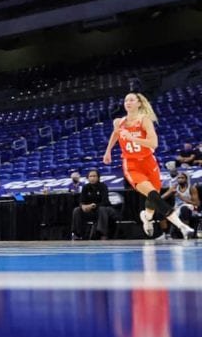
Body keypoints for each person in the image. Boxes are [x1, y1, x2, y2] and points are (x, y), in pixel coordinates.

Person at [103, 92, 196, 239]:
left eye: (132, 100)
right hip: (131, 164)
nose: (128, 102)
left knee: (153, 198)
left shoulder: (144, 121)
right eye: (126, 100)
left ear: (139, 103)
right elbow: (115, 134)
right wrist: (108, 151)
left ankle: (146, 217)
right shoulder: (118, 122)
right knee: (153, 195)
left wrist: (133, 138)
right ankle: (182, 227)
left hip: (149, 162)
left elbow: (154, 144)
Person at [71, 169, 117, 240]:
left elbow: (105, 202)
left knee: (102, 209)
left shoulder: (103, 186)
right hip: (91, 211)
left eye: (94, 176)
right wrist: (83, 206)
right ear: (88, 178)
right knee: (77, 210)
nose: (92, 178)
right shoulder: (85, 187)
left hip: (104, 209)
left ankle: (102, 234)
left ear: (98, 177)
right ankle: (77, 234)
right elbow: (81, 201)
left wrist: (93, 205)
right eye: (90, 176)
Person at [161, 172, 199, 238]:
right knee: (164, 210)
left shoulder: (191, 188)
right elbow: (161, 198)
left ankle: (185, 232)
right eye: (178, 178)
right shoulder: (175, 187)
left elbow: (196, 203)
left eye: (182, 178)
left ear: (186, 179)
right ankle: (165, 233)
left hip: (190, 207)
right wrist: (169, 192)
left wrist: (181, 197)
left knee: (184, 209)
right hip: (177, 208)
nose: (180, 179)